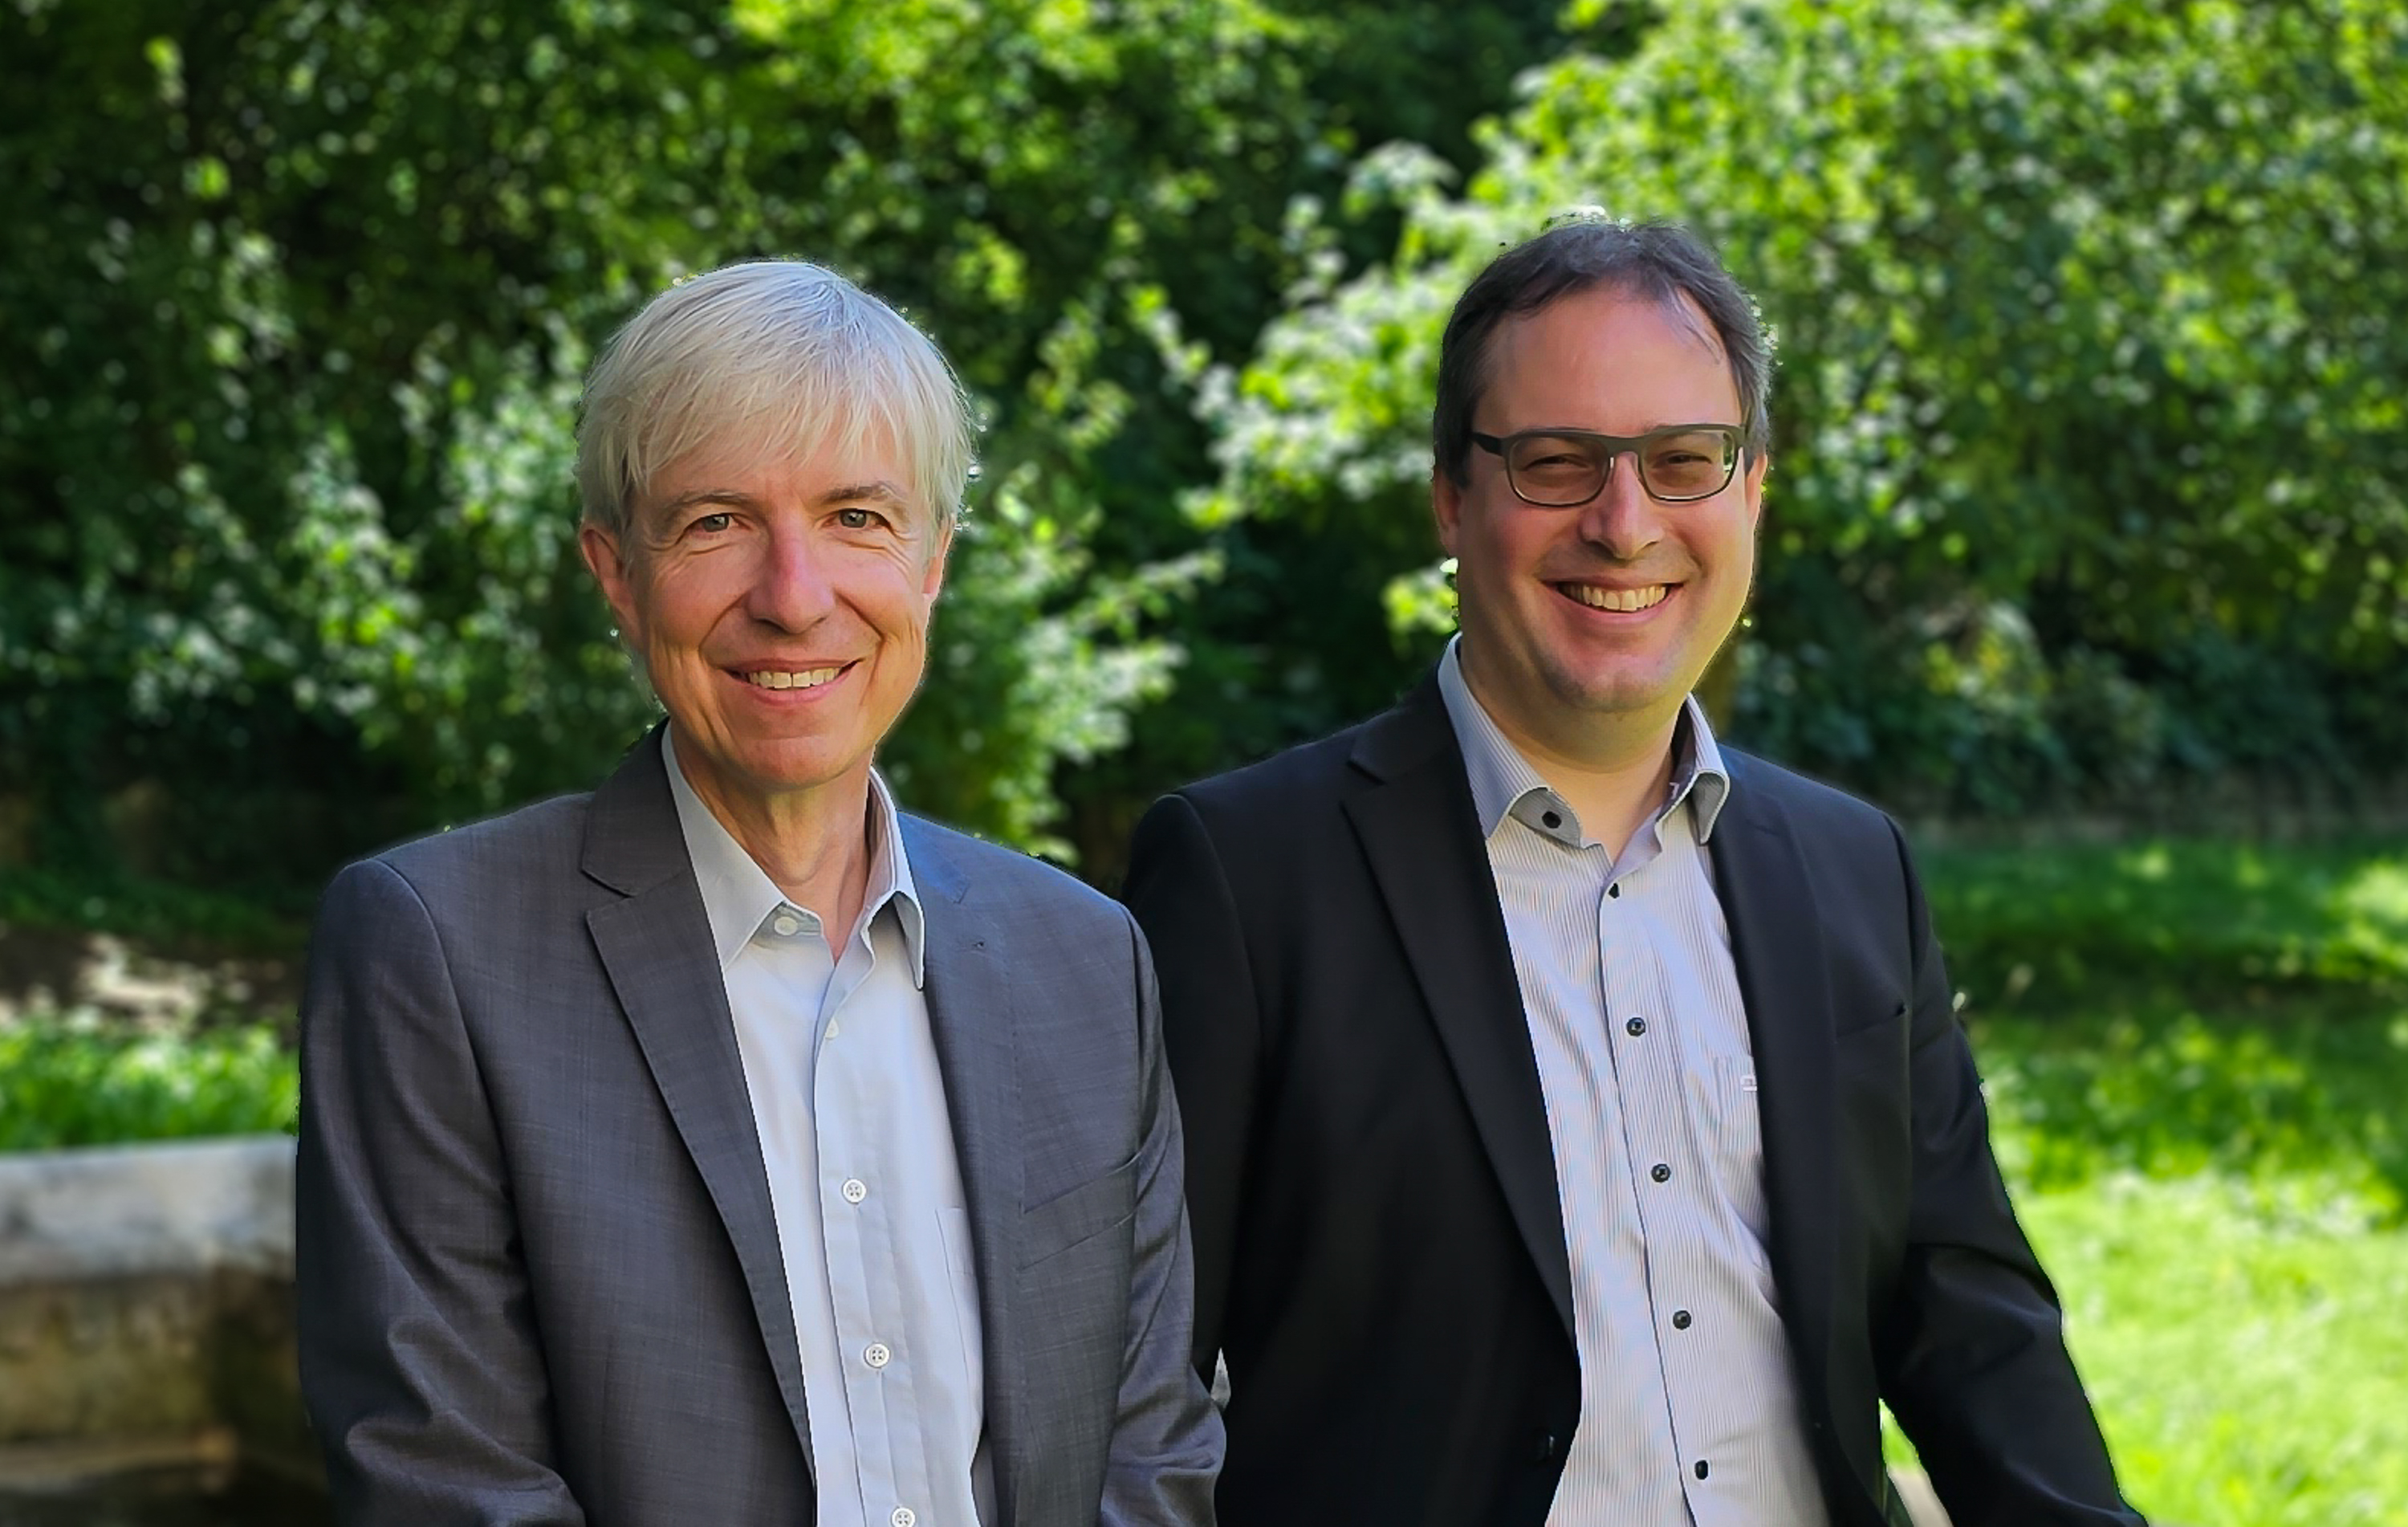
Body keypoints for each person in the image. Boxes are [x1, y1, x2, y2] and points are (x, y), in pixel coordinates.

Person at [1121, 220, 2140, 1527]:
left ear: (1752, 491)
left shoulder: (1851, 868)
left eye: (1682, 461)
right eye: (1555, 463)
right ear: (1449, 493)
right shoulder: (1245, 877)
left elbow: (1974, 1324)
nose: (1625, 523)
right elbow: (1135, 1396)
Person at [297, 260, 1222, 1527]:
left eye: (857, 518)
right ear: (614, 571)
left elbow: (1154, 1456)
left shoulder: (1087, 960)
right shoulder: (439, 954)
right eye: (717, 522)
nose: (795, 598)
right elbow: (444, 1488)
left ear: (934, 561)